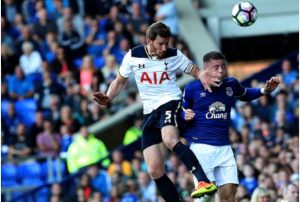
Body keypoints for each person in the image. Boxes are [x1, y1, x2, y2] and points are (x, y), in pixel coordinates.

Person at [93, 22, 222, 201]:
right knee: (154, 170)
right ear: (149, 41)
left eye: (166, 43)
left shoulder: (174, 55)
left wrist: (204, 76)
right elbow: (119, 81)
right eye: (160, 43)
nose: (164, 47)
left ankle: (202, 180)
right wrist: (108, 97)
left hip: (171, 102)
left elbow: (195, 71)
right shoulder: (133, 56)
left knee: (170, 139)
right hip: (149, 112)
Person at [181, 51, 280, 201]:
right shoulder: (192, 88)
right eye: (216, 67)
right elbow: (180, 110)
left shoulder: (231, 84)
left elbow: (245, 94)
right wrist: (183, 115)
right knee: (206, 197)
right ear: (205, 69)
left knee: (229, 197)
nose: (221, 70)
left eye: (223, 66)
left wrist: (264, 90)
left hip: (225, 148)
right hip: (201, 148)